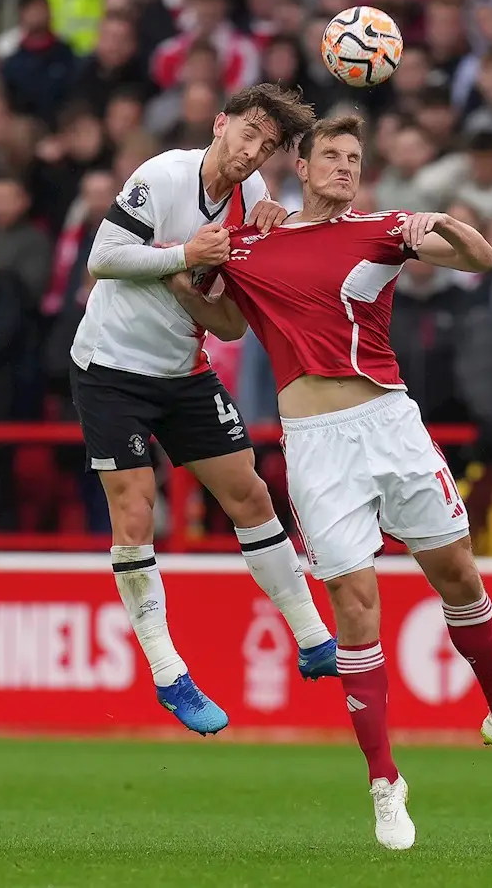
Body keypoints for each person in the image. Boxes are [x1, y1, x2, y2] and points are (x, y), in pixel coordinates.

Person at [170, 115, 492, 851]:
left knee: (459, 575)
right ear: (300, 162)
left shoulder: (383, 228)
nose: (346, 167)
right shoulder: (255, 240)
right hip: (317, 447)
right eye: (333, 155)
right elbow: (227, 323)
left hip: (391, 423)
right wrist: (178, 276)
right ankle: (386, 784)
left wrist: (442, 221)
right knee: (357, 610)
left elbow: (480, 261)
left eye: (356, 157)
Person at [71, 83, 336, 736]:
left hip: (181, 372)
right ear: (220, 124)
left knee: (249, 494)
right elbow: (101, 259)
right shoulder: (163, 176)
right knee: (134, 509)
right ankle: (169, 674)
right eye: (247, 132)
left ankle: (312, 638)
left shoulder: (252, 210)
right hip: (109, 368)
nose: (253, 150)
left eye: (268, 145)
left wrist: (201, 275)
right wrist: (186, 255)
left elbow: (231, 326)